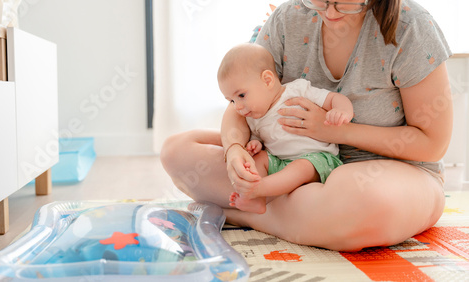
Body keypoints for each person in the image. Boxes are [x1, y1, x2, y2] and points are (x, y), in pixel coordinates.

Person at [160, 0, 452, 251]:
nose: (330, 12)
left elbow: (431, 143)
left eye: (342, 2)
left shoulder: (412, 28)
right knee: (178, 152)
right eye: (320, 2)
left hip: (387, 175)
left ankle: (244, 213)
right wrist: (235, 149)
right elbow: (241, 98)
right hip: (286, 166)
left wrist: (333, 132)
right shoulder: (289, 18)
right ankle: (307, 217)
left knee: (362, 199)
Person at [217, 43, 353, 214]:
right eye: (231, 101)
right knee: (258, 159)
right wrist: (255, 145)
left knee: (301, 167)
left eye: (241, 95)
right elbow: (259, 139)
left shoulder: (297, 90)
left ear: (267, 80)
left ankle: (259, 188)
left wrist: (342, 111)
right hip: (281, 162)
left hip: (318, 159)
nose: (237, 106)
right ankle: (256, 200)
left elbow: (334, 98)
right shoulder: (253, 118)